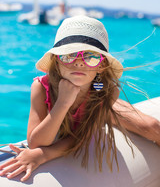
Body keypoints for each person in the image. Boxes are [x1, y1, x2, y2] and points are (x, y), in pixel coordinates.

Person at [0, 16, 159, 182]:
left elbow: (83, 136)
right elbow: (36, 143)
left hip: (100, 107)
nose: (79, 63)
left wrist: (44, 155)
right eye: (69, 55)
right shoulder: (41, 87)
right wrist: (63, 102)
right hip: (73, 105)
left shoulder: (106, 92)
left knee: (152, 126)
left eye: (91, 57)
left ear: (101, 66)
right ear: (56, 60)